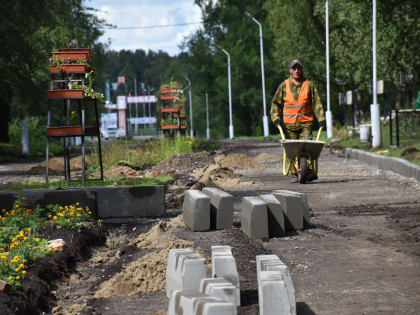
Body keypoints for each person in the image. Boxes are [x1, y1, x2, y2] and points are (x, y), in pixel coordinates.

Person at [270, 59, 326, 181]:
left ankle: (307, 170)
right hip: (290, 125)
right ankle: (296, 173)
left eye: (299, 68)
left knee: (307, 148)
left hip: (306, 122)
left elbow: (316, 102)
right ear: (290, 70)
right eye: (294, 68)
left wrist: (321, 118)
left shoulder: (308, 85)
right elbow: (276, 104)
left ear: (301, 70)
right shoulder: (283, 86)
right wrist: (275, 118)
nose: (296, 71)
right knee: (293, 151)